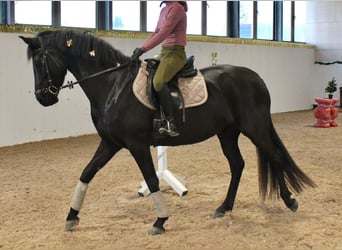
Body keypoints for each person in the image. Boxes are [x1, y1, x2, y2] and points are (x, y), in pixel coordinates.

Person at [131, 1, 188, 137]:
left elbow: (163, 33)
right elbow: (156, 32)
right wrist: (141, 47)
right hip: (164, 53)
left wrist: (143, 49)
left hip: (175, 53)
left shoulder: (177, 8)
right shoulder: (164, 10)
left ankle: (170, 122)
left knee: (158, 82)